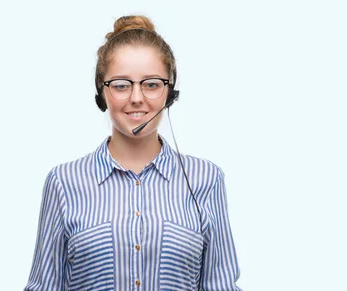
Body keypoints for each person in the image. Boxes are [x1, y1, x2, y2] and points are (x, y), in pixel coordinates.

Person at [24, 15, 242, 291]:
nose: (136, 98)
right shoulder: (63, 182)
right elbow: (44, 286)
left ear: (170, 92)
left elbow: (219, 285)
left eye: (151, 83)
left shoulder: (206, 179)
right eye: (121, 85)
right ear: (101, 93)